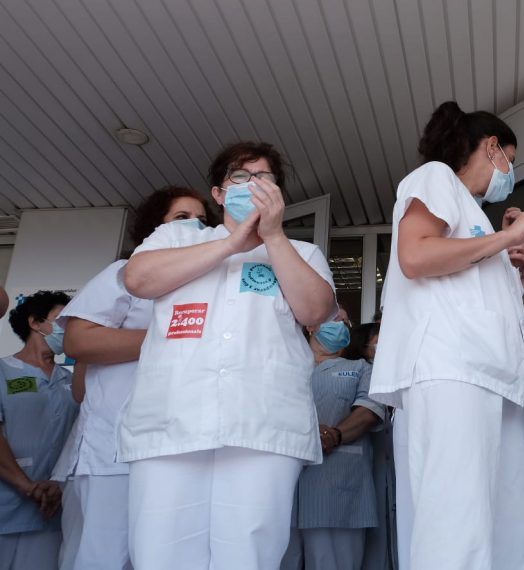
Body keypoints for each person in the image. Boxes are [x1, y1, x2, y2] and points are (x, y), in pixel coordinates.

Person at [121, 141, 338, 570]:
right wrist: (232, 243)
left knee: (249, 553)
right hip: (171, 422)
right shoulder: (175, 236)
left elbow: (315, 311)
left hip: (262, 425)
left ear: (278, 193)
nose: (253, 185)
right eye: (241, 177)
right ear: (219, 194)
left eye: (264, 178)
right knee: (159, 552)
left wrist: (271, 236)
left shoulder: (302, 253)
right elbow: (139, 279)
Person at [369, 101, 524, 570]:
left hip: (494, 379)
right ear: (492, 148)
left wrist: (520, 281)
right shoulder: (435, 178)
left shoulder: (474, 218)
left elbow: (479, 296)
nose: (509, 172)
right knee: (456, 523)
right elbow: (417, 256)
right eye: (510, 158)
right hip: (452, 373)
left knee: (501, 527)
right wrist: (507, 240)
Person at [51, 186, 212, 570]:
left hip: (179, 446)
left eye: (203, 220)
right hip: (112, 451)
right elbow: (79, 339)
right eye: (182, 218)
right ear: (154, 227)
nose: (195, 226)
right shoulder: (122, 274)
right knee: (101, 557)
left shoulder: (208, 285)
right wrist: (168, 339)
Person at [282, 307, 384, 570]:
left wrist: (336, 435)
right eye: (332, 318)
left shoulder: (361, 368)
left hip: (337, 494)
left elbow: (369, 412)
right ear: (311, 326)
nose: (341, 322)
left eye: (344, 320)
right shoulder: (285, 366)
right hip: (283, 493)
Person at [0, 290, 76, 570]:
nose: (70, 330)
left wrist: (58, 486)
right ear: (35, 322)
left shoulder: (72, 380)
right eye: (63, 321)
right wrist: (27, 486)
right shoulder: (2, 372)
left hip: (53, 509)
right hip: (8, 504)